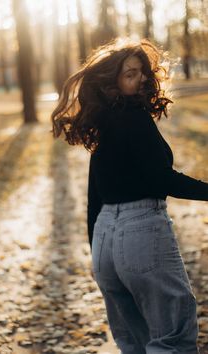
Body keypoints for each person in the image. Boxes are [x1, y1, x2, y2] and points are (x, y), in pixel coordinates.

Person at [51, 37, 208, 354]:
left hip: (105, 241)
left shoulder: (105, 122)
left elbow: (94, 194)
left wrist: (97, 250)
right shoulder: (134, 119)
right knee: (172, 338)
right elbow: (163, 180)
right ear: (112, 81)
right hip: (141, 233)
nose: (141, 80)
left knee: (133, 342)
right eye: (130, 74)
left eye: (142, 73)